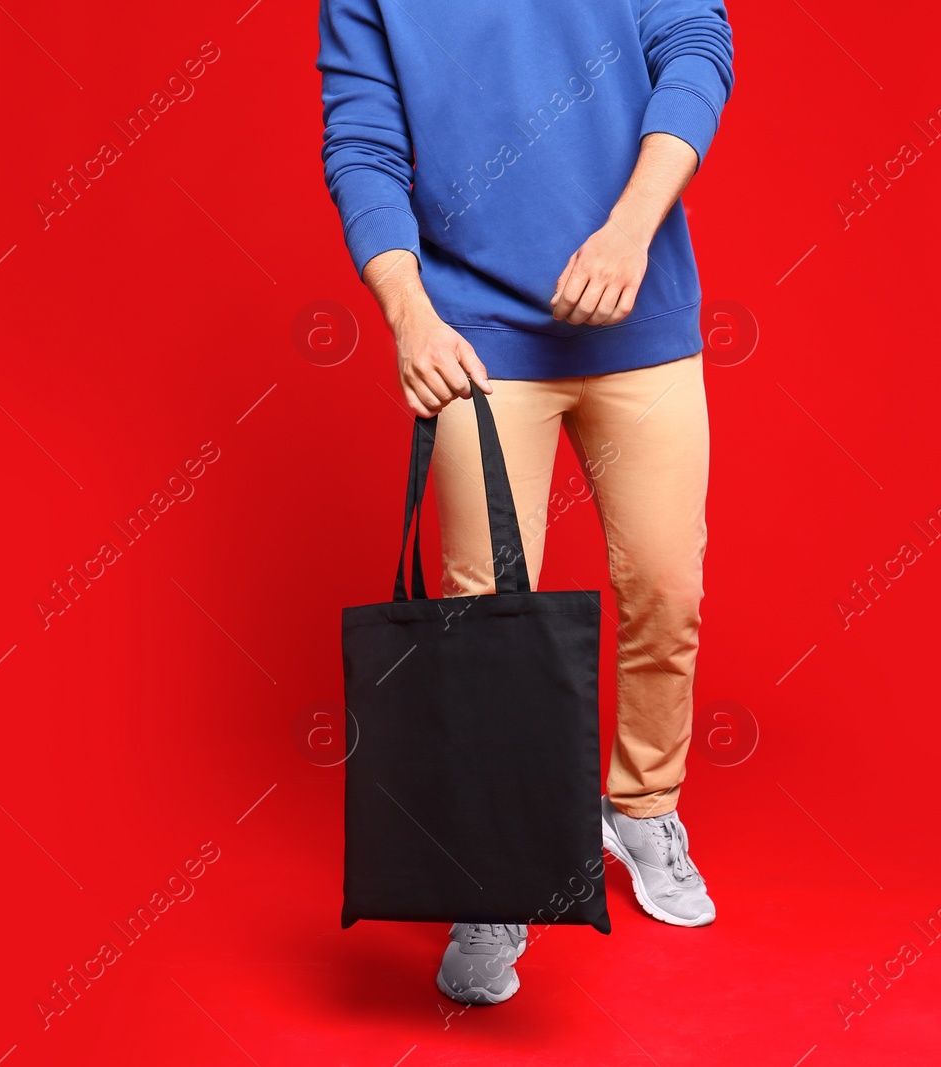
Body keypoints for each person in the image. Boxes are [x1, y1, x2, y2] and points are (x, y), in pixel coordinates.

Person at [316, 0, 735, 1006]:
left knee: (667, 589)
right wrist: (409, 315)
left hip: (639, 306)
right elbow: (363, 143)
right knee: (482, 614)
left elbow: (697, 49)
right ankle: (492, 871)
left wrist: (630, 231)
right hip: (476, 335)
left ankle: (640, 808)